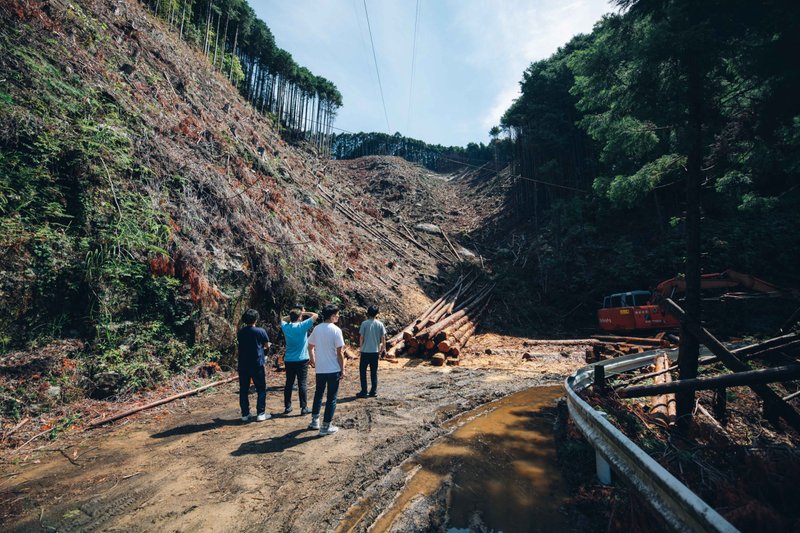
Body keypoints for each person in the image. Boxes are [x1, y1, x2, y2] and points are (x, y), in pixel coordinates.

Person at [307, 304, 345, 436]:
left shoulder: (317, 329)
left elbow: (310, 346)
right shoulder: (336, 330)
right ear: (332, 315)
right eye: (337, 314)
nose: (338, 316)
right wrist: (342, 369)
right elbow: (340, 353)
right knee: (331, 398)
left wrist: (313, 360)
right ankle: (326, 426)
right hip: (333, 368)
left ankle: (314, 421)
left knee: (318, 393)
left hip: (320, 369)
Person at [280, 304, 318, 415]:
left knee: (289, 383)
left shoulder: (285, 327)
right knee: (302, 383)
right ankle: (304, 407)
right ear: (300, 317)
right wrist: (303, 313)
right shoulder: (302, 326)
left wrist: (293, 314)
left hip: (289, 360)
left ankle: (288, 407)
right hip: (302, 360)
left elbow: (283, 319)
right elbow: (315, 315)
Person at [236, 309, 271, 422]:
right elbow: (266, 345)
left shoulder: (240, 332)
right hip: (257, 364)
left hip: (243, 364)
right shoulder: (260, 331)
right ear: (256, 319)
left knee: (244, 389)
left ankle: (245, 414)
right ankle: (261, 413)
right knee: (261, 388)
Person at [356, 305, 386, 398]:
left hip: (365, 352)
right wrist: (383, 348)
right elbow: (383, 338)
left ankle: (364, 391)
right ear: (377, 314)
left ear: (367, 313)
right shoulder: (380, 324)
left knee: (363, 371)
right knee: (374, 372)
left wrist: (361, 348)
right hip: (375, 352)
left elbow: (361, 337)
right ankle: (373, 391)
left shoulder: (364, 323)